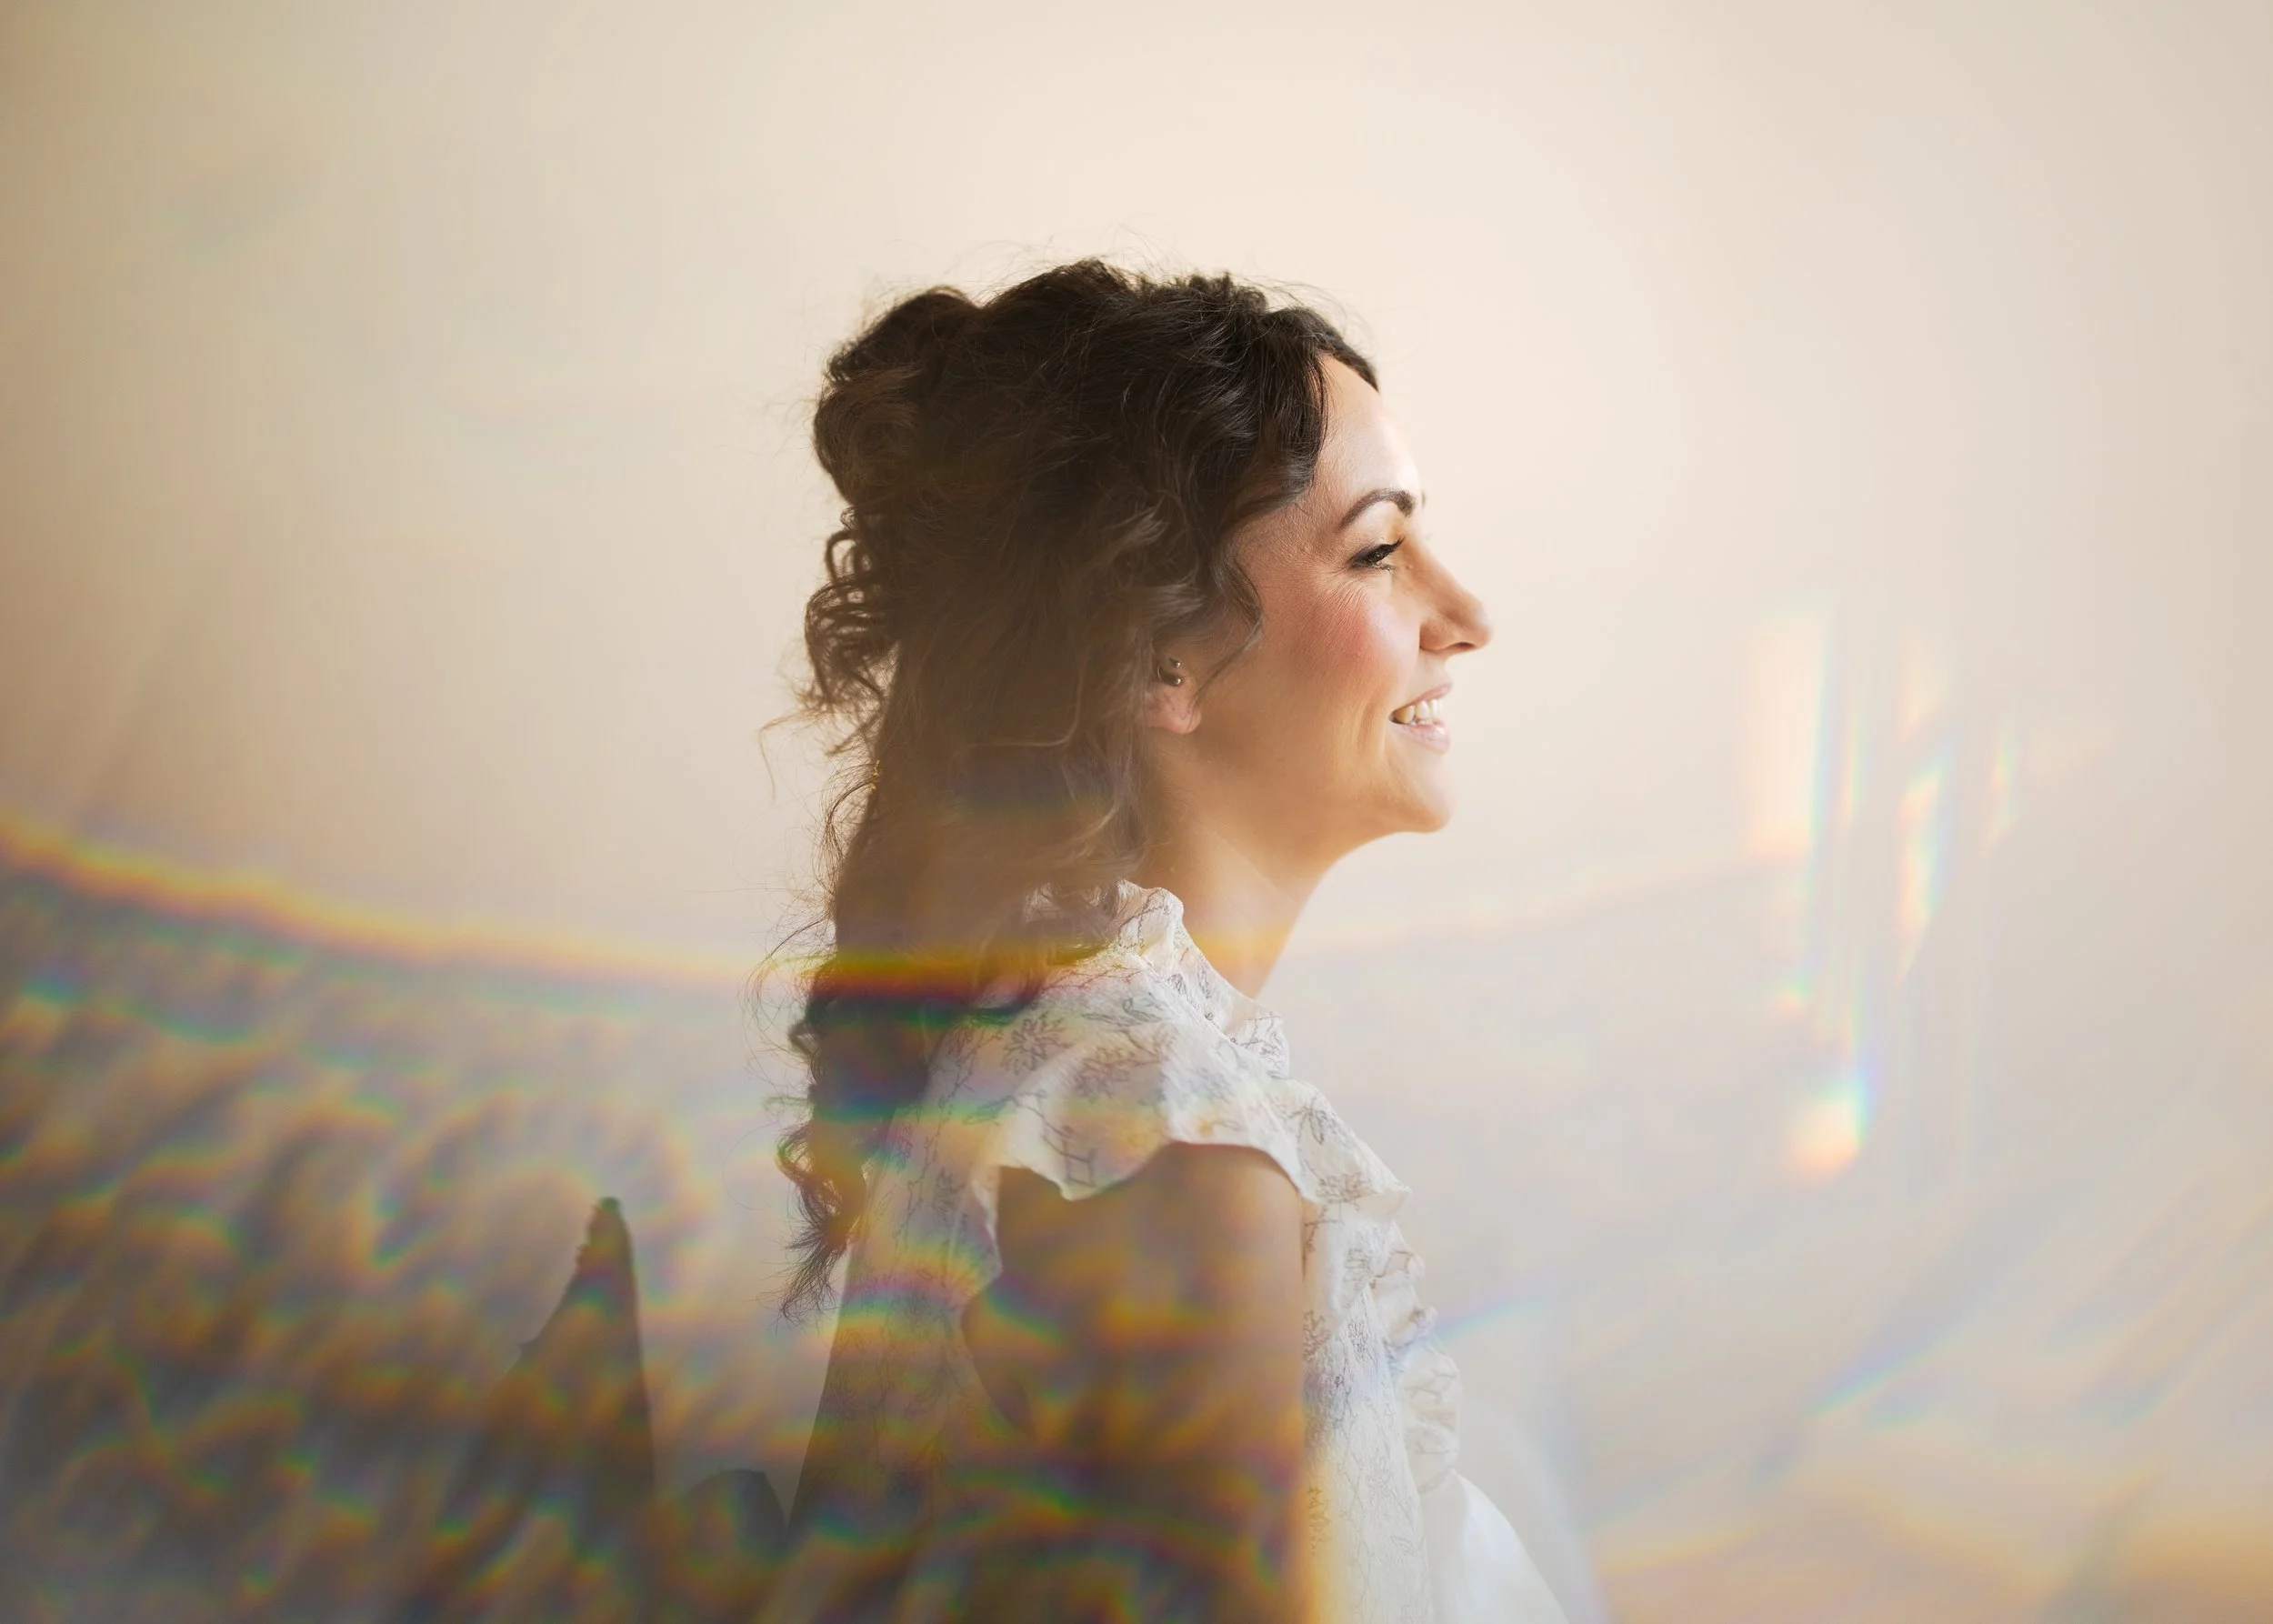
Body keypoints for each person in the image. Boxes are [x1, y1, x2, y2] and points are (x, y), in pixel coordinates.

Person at [762, 261, 1567, 1623]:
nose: (1466, 613)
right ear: (1159, 664)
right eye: (1379, 549)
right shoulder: (1161, 1153)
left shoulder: (1097, 1076)